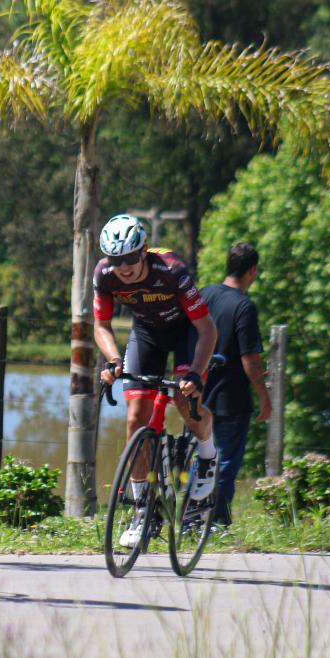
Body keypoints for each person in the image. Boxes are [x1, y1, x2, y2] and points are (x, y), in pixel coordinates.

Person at [93, 214, 218, 548]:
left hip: (187, 332)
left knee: (183, 401)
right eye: (117, 260)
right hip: (147, 334)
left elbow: (207, 329)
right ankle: (142, 511)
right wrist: (114, 361)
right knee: (135, 419)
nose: (124, 267)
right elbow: (102, 326)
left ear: (144, 251)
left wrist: (195, 372)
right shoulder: (104, 275)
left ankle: (207, 454)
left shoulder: (172, 271)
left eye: (131, 258)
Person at [202, 242, 271, 525]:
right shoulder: (244, 306)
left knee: (201, 460)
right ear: (252, 271)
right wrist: (265, 397)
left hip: (199, 393)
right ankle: (216, 523)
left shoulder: (204, 294)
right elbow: (249, 360)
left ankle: (192, 519)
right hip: (232, 399)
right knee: (225, 464)